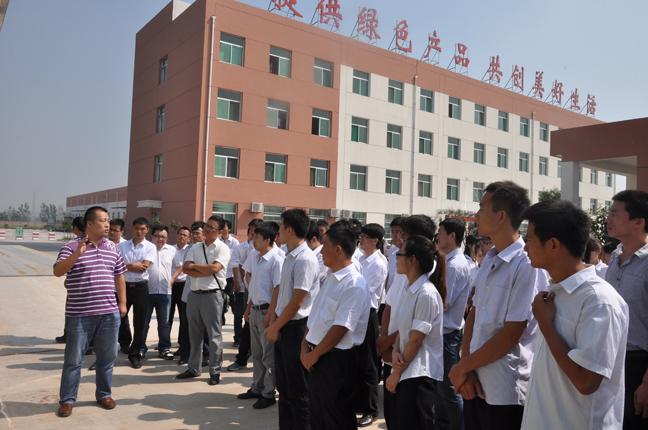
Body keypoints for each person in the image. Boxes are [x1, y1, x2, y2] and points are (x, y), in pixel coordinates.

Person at [520, 200, 629, 429]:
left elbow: (586, 381)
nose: (524, 248)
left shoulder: (598, 301)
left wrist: (546, 325)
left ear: (552, 245)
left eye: (529, 240)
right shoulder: (555, 292)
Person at [449, 181, 547, 430]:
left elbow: (512, 332)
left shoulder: (526, 264)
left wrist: (463, 366)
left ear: (501, 216)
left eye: (482, 208)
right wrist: (467, 366)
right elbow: (474, 314)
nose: (477, 214)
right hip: (475, 380)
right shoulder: (490, 259)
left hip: (505, 387)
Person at [53, 206, 127, 418]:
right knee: (73, 360)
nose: (107, 224)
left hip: (109, 313)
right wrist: (78, 253)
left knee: (107, 357)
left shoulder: (112, 248)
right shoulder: (70, 247)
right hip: (80, 315)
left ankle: (104, 394)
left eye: (108, 220)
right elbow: (57, 271)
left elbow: (119, 276)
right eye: (103, 220)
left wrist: (122, 303)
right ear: (89, 224)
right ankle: (67, 400)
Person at [301, 220, 370, 430]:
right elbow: (316, 316)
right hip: (317, 355)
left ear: (338, 249)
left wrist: (314, 354)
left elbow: (341, 327)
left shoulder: (354, 283)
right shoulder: (331, 276)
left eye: (325, 246)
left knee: (336, 417)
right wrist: (305, 346)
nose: (321, 251)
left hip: (336, 360)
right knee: (318, 415)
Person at [378, 214, 437, 428]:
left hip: (413, 366)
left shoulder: (426, 285)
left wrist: (395, 364)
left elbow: (416, 335)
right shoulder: (407, 276)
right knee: (395, 418)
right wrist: (388, 345)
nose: (399, 240)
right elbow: (392, 309)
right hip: (398, 357)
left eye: (404, 235)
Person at [265, 209, 320, 430]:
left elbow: (298, 301)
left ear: (289, 229)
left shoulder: (305, 259)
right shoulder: (289, 255)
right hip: (284, 324)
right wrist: (274, 316)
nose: (278, 231)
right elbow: (283, 293)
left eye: (281, 226)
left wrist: (276, 326)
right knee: (284, 386)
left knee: (298, 388)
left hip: (297, 327)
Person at [605, 190, 648, 429]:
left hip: (638, 365)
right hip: (612, 360)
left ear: (638, 222)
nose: (608, 218)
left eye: (614, 213)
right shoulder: (614, 258)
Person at [176, 216, 231, 385]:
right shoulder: (195, 247)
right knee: (194, 334)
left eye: (211, 228)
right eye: (207, 226)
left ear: (219, 231)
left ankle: (215, 371)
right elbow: (186, 268)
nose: (207, 229)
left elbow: (214, 268)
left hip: (212, 295)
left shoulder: (223, 248)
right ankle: (194, 368)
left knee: (214, 336)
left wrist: (195, 267)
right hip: (194, 295)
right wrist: (202, 270)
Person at [237, 221, 284, 409]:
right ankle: (257, 387)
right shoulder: (256, 257)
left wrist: (271, 314)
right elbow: (253, 285)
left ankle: (268, 392)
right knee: (256, 354)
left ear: (268, 240)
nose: (253, 240)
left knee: (268, 356)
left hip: (267, 312)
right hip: (255, 310)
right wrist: (248, 307)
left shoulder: (276, 260)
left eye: (257, 237)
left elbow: (278, 288)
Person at [434, 218, 472, 430]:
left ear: (452, 236)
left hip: (448, 334)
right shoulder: (447, 261)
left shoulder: (455, 266)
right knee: (440, 389)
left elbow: (444, 302)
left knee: (449, 390)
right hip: (442, 333)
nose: (437, 237)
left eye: (440, 233)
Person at [355, 223, 388, 427]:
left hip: (368, 314)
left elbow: (366, 292)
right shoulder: (360, 258)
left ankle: (371, 409)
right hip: (355, 313)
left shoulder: (378, 263)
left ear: (375, 241)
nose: (361, 239)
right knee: (356, 361)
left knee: (369, 364)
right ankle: (359, 402)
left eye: (365, 237)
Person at [118, 217, 156, 368]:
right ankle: (124, 344)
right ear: (132, 228)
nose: (139, 232)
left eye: (142, 229)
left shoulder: (150, 247)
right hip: (123, 286)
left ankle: (135, 354)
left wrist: (126, 265)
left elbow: (143, 267)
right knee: (118, 318)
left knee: (140, 322)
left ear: (147, 230)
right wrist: (132, 265)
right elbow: (116, 265)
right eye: (136, 228)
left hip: (141, 287)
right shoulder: (122, 246)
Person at [227, 218, 263, 371]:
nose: (253, 236)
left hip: (267, 302)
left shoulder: (276, 255)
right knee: (245, 323)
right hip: (251, 295)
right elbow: (243, 269)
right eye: (252, 233)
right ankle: (241, 358)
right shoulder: (252, 252)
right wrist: (242, 283)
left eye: (256, 234)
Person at [143, 224, 176, 360]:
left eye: (163, 236)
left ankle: (164, 348)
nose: (160, 239)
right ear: (151, 236)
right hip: (146, 291)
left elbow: (180, 266)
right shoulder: (146, 249)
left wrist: (173, 278)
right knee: (144, 322)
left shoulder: (172, 250)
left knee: (164, 323)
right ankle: (140, 347)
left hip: (165, 292)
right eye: (157, 236)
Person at [55, 216, 86, 344]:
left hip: (77, 287)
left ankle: (69, 335)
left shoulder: (73, 244)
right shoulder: (100, 243)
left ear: (75, 228)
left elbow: (59, 269)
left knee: (72, 310)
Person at [169, 226, 191, 357]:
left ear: (189, 238)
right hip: (170, 286)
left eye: (185, 235)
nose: (182, 237)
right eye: (180, 234)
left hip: (184, 286)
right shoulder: (170, 249)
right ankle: (165, 345)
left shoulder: (190, 250)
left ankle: (182, 345)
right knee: (168, 316)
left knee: (184, 318)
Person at [221, 219, 240, 327]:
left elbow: (236, 259)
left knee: (231, 298)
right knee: (220, 298)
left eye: (224, 227)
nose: (222, 229)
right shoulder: (218, 241)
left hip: (230, 275)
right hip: (220, 275)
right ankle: (221, 317)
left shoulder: (235, 242)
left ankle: (236, 315)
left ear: (229, 229)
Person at [306, 220, 327, 286]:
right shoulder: (310, 253)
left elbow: (319, 276)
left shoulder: (322, 255)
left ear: (313, 239)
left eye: (305, 242)